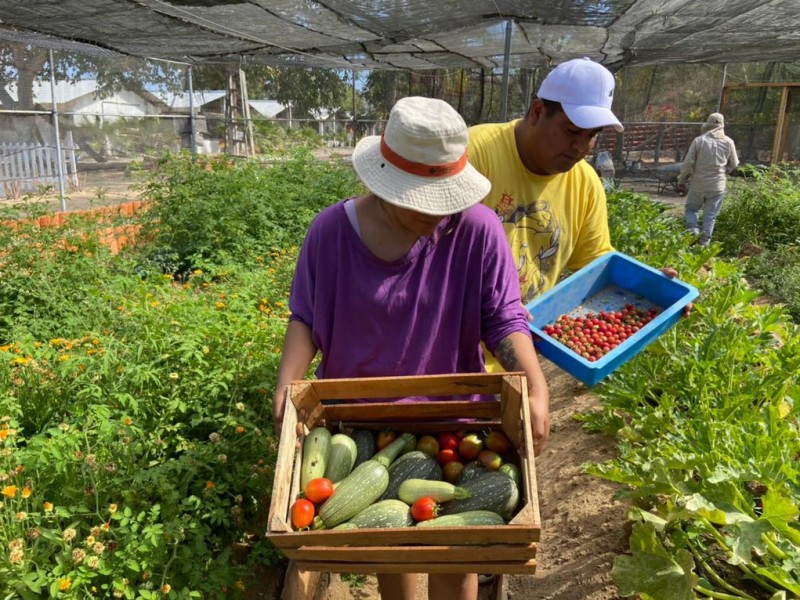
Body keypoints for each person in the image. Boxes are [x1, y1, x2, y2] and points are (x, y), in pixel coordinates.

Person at [272, 96, 550, 600]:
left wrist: (534, 385)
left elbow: (504, 319)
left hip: (454, 420)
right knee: (390, 551)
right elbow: (305, 320)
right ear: (381, 183)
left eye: (445, 198)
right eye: (419, 198)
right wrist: (287, 387)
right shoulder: (329, 234)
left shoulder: (478, 231)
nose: (434, 213)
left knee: (453, 558)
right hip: (359, 426)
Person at [467, 57, 685, 372]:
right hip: (454, 356)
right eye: (571, 131)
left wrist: (651, 288)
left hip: (519, 359)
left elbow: (596, 265)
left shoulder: (584, 183)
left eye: (592, 135)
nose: (581, 147)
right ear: (538, 112)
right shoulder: (477, 153)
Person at [676, 112, 739, 246]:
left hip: (698, 183)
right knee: (710, 216)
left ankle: (693, 230)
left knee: (691, 209)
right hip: (718, 185)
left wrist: (681, 180)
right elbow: (735, 163)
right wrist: (724, 172)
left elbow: (688, 163)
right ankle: (704, 245)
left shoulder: (700, 140)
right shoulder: (728, 142)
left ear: (707, 125)